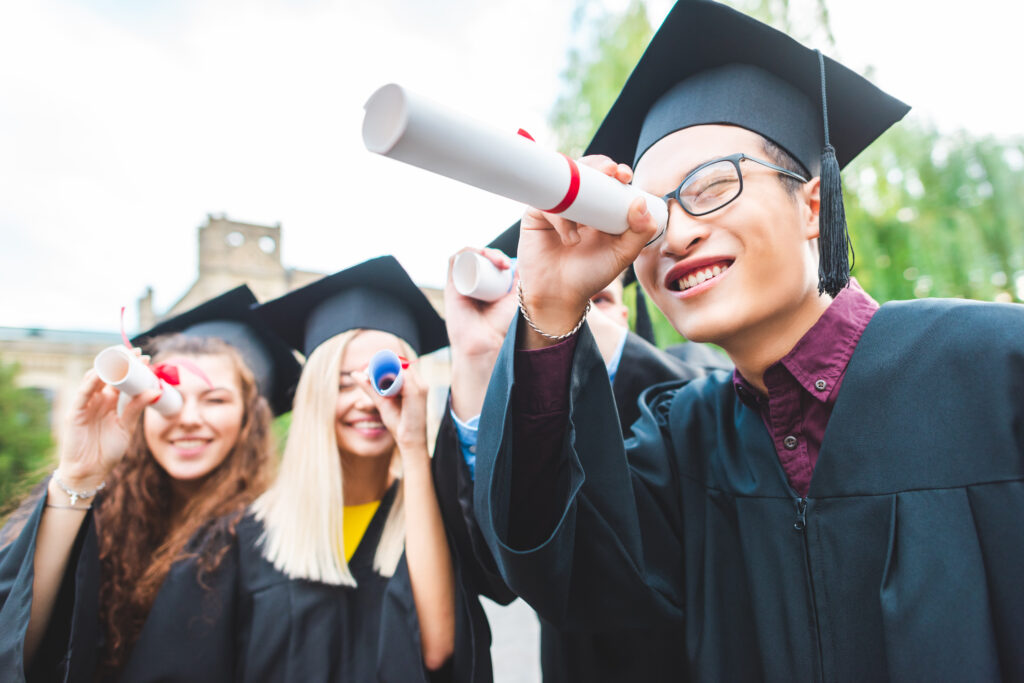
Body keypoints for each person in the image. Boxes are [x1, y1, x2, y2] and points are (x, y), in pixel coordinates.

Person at [469, 1, 1024, 680]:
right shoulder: (682, 442)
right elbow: (561, 564)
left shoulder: (996, 371)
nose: (676, 235)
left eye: (711, 187)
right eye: (650, 214)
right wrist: (551, 305)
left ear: (814, 205)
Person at [435, 227, 714, 682]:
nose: (578, 311)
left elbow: (702, 411)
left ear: (624, 314)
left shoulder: (694, 378)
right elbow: (494, 577)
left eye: (597, 299)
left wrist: (567, 308)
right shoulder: (529, 427)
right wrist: (476, 357)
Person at [0, 285, 301, 682]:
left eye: (216, 400)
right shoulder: (91, 504)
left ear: (250, 420)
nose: (189, 418)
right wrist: (77, 477)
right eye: (167, 397)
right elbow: (14, 640)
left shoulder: (271, 536)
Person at [251, 255, 490, 682]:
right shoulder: (250, 531)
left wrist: (413, 444)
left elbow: (437, 651)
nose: (366, 400)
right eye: (344, 383)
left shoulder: (431, 520)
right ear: (315, 392)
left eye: (383, 379)